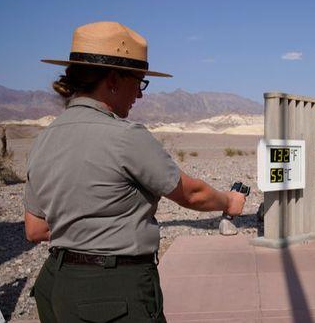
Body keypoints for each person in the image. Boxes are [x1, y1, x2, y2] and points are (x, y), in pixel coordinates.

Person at [24, 21, 246, 322]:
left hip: (56, 287)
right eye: (139, 82)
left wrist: (80, 234)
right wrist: (229, 202)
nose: (140, 96)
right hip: (114, 294)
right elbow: (191, 194)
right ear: (113, 79)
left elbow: (34, 229)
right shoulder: (125, 136)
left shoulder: (45, 138)